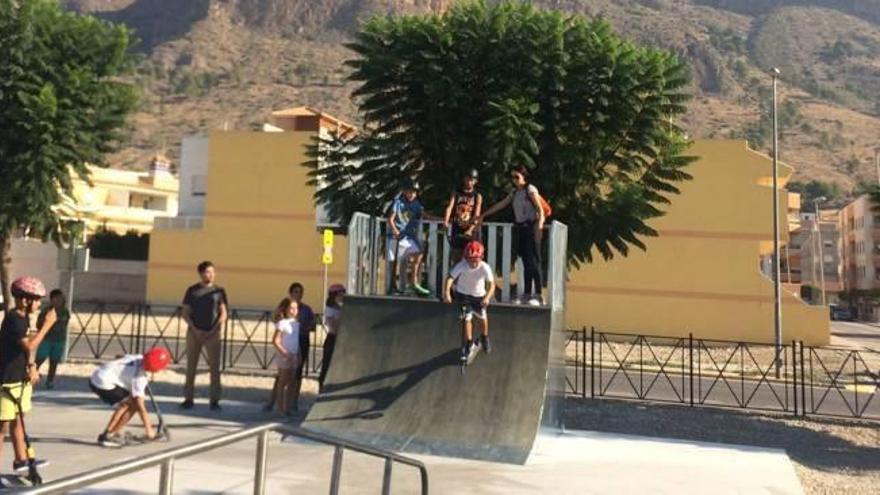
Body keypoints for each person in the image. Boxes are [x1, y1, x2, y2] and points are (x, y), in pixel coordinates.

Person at [0, 277, 54, 475]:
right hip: (5, 381)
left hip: (18, 379)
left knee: (18, 419)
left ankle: (21, 459)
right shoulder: (14, 319)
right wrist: (47, 326)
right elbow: (30, 345)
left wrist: (32, 366)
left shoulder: (23, 319)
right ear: (24, 300)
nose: (39, 304)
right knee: (2, 427)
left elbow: (25, 350)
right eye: (36, 299)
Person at [479, 165, 546, 305]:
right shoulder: (515, 192)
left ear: (524, 176)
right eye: (513, 177)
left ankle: (538, 293)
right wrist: (483, 215)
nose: (514, 180)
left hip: (531, 227)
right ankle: (527, 293)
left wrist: (539, 226)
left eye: (517, 177)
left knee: (535, 261)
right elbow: (502, 204)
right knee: (526, 261)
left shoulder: (530, 189)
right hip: (520, 228)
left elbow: (541, 210)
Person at [90, 347, 171, 448]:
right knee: (130, 405)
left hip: (98, 373)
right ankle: (108, 435)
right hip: (102, 382)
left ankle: (111, 433)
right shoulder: (139, 377)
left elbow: (120, 356)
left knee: (129, 403)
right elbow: (141, 407)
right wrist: (149, 429)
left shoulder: (138, 357)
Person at [180, 261, 228, 411]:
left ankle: (214, 400)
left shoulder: (219, 291)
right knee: (191, 367)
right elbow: (185, 312)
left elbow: (223, 313)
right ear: (201, 274)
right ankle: (188, 398)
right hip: (194, 333)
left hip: (213, 333)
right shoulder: (192, 291)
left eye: (213, 272)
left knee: (214, 367)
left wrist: (214, 329)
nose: (211, 274)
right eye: (208, 272)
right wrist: (195, 329)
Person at [263, 283, 316, 412]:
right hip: (286, 348)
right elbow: (276, 326)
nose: (299, 294)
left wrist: (305, 328)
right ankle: (275, 403)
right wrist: (285, 352)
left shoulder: (306, 310)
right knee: (282, 377)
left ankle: (291, 404)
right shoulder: (284, 311)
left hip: (300, 343)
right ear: (291, 293)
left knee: (295, 376)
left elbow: (312, 324)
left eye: (301, 292)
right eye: (296, 292)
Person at [443, 241, 496, 363]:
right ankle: (469, 342)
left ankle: (484, 337)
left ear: (481, 257)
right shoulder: (462, 265)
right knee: (467, 318)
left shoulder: (484, 267)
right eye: (470, 259)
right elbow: (450, 278)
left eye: (475, 260)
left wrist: (487, 297)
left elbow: (492, 285)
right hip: (463, 295)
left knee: (482, 317)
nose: (472, 263)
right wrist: (446, 293)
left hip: (478, 296)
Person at [387, 179, 432, 296]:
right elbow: (390, 219)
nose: (411, 194)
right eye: (409, 192)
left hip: (409, 237)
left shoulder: (417, 205)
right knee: (393, 263)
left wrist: (442, 220)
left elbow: (425, 215)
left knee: (419, 252)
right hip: (396, 237)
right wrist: (395, 230)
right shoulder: (398, 203)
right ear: (404, 192)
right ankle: (392, 286)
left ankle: (413, 282)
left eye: (414, 192)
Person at [443, 169, 483, 264]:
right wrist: (445, 221)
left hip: (470, 230)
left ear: (475, 181)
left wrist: (471, 229)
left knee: (472, 259)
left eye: (472, 180)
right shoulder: (457, 192)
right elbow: (449, 207)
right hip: (457, 228)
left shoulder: (477, 196)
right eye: (468, 179)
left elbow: (477, 214)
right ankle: (456, 278)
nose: (469, 182)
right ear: (464, 179)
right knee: (456, 259)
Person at [271, 298, 301, 415]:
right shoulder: (282, 323)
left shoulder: (296, 324)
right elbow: (275, 340)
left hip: (293, 355)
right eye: (291, 308)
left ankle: (287, 407)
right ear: (286, 309)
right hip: (284, 355)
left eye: (296, 308)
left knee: (291, 382)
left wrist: (298, 354)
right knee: (283, 381)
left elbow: (296, 341)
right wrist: (285, 353)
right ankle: (280, 408)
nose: (294, 311)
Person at [35, 289, 70, 389]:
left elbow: (63, 324)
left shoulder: (65, 311)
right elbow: (39, 324)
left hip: (59, 340)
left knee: (54, 362)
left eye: (61, 298)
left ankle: (50, 381)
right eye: (57, 298)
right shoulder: (46, 311)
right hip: (46, 340)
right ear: (52, 300)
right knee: (39, 359)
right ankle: (32, 376)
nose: (60, 300)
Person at [318, 284, 345, 391]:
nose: (342, 296)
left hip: (340, 339)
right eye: (340, 294)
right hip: (333, 339)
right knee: (327, 366)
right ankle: (322, 388)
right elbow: (334, 327)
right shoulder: (330, 309)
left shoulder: (341, 308)